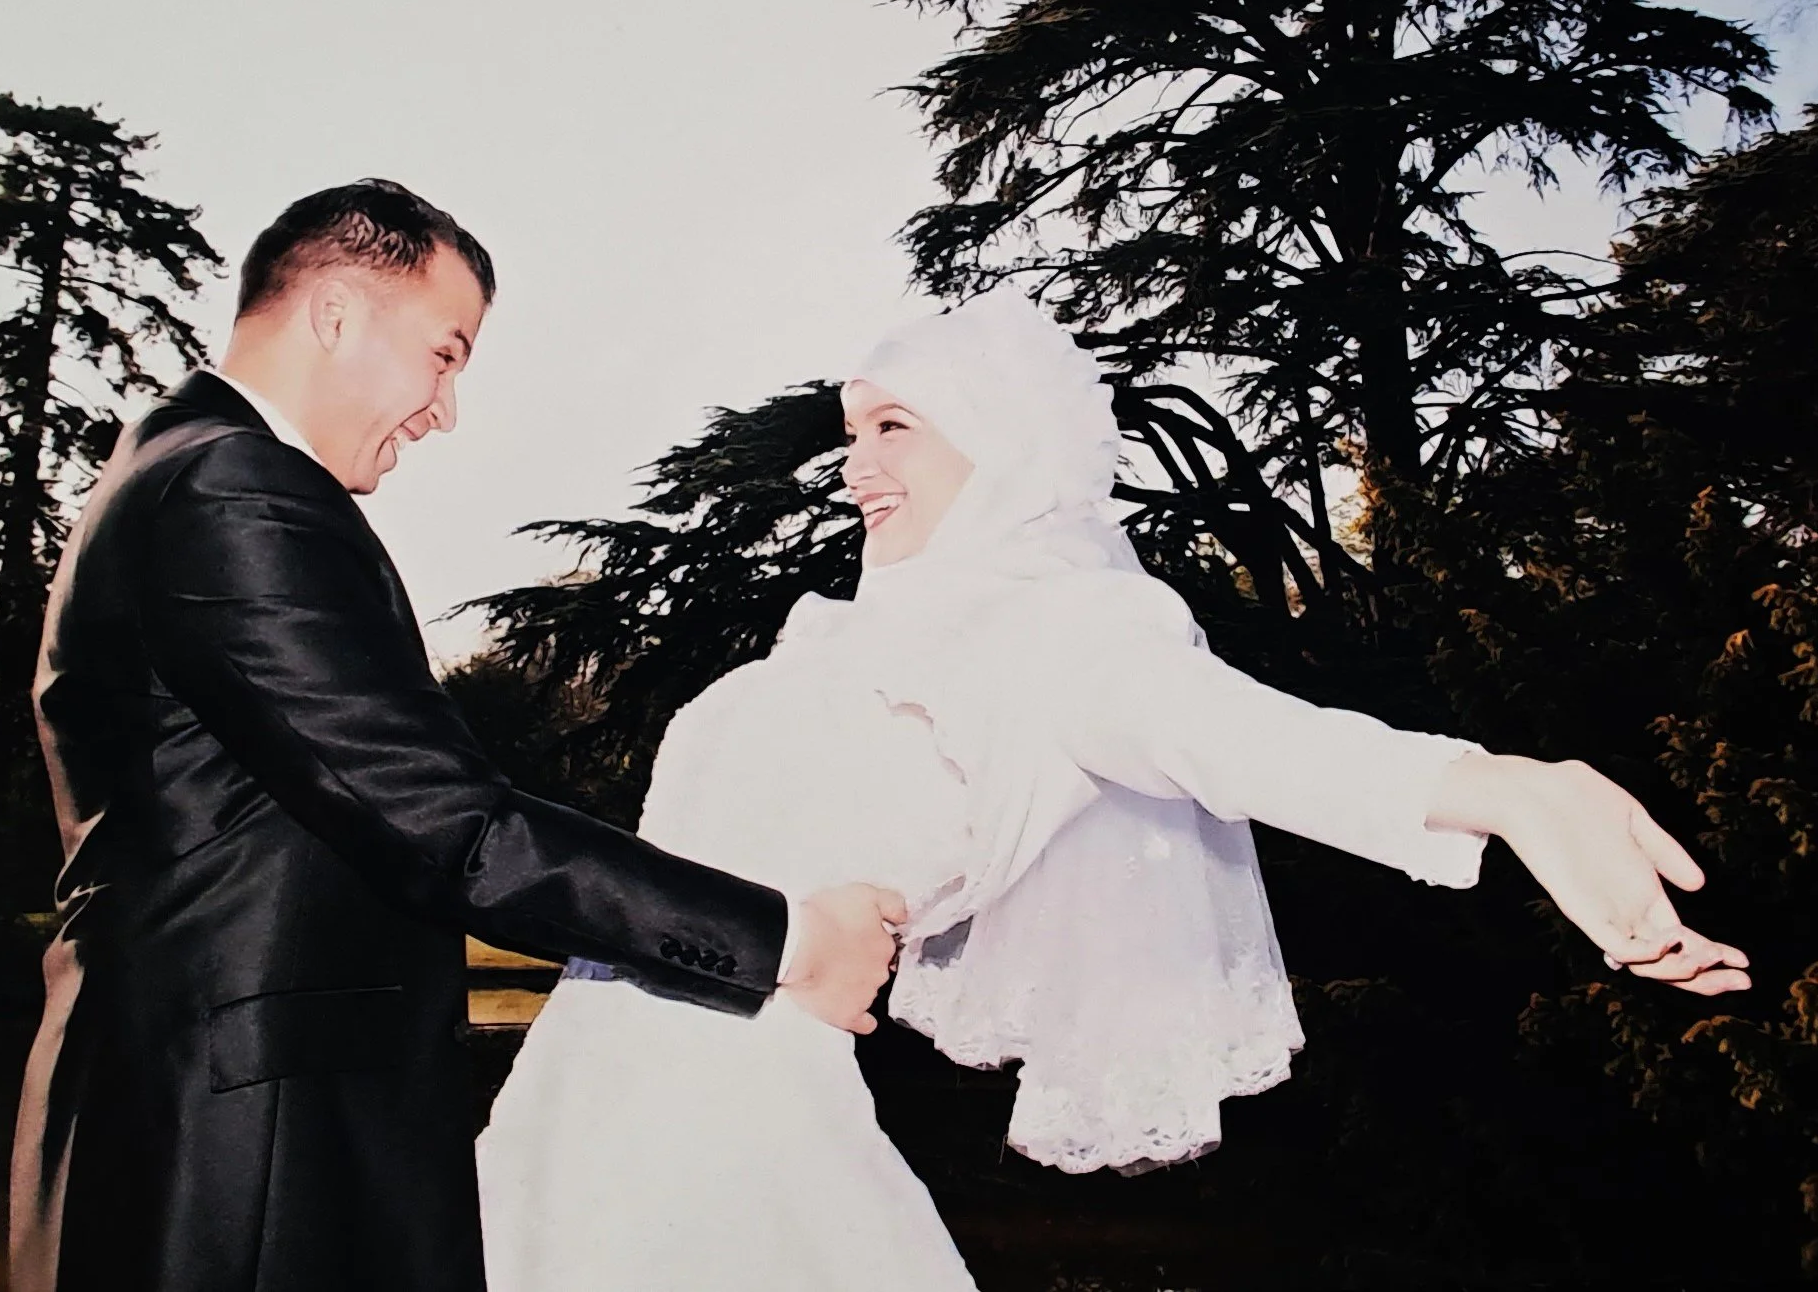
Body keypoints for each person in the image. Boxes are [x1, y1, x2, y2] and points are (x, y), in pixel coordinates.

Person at [476, 291, 1750, 1291]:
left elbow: (1258, 740)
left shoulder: (1069, 636)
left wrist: (1512, 790)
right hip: (570, 1110)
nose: (854, 463)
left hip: (721, 1146)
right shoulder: (840, 639)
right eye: (852, 429)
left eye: (895, 427)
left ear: (1004, 446)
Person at [7, 180, 906, 1292]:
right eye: (445, 352)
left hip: (213, 1107)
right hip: (247, 1144)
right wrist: (783, 941)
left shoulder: (173, 467)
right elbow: (444, 823)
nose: (447, 408)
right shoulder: (229, 486)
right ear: (336, 313)